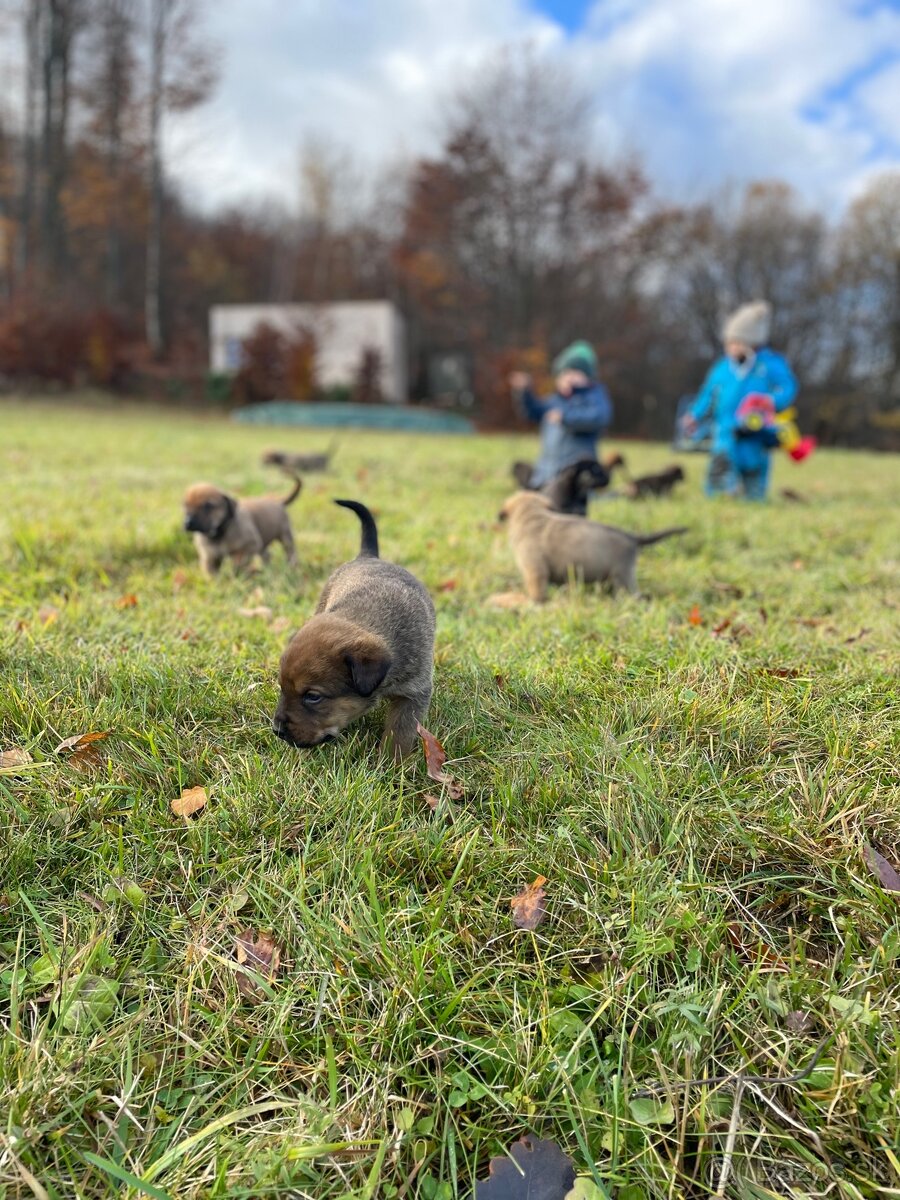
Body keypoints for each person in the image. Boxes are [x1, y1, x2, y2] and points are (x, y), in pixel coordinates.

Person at [682, 301, 798, 500]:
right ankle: (719, 499)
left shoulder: (769, 364)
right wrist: (695, 415)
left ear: (751, 343)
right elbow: (707, 395)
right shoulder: (722, 368)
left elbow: (788, 387)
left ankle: (754, 499)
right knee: (720, 469)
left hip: (755, 430)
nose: (730, 348)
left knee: (754, 471)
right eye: (728, 342)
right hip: (725, 431)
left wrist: (771, 401)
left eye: (735, 342)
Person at [509, 341, 612, 512]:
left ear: (588, 377)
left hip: (573, 475)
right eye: (564, 373)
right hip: (548, 471)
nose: (568, 377)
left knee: (561, 502)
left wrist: (566, 418)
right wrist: (525, 391)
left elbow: (599, 418)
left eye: (575, 372)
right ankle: (536, 486)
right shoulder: (554, 401)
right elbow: (532, 412)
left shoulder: (594, 397)